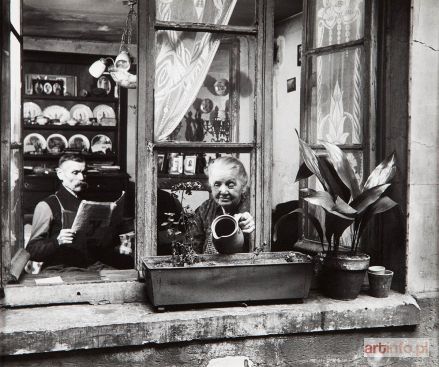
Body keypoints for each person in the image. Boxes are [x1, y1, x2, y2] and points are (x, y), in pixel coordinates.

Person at [26, 153, 133, 270]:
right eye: (75, 173)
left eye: (83, 172)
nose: (82, 178)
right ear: (60, 174)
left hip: (91, 266)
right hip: (61, 269)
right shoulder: (47, 206)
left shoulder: (88, 202)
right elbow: (32, 250)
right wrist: (57, 241)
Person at [191, 156, 255, 253]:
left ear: (243, 186)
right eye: (217, 184)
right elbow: (192, 249)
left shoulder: (255, 208)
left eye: (230, 185)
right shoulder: (205, 208)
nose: (223, 191)